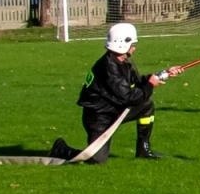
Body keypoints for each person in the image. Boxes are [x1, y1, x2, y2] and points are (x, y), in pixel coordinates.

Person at [50, 22, 180, 163]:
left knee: (146, 105)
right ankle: (61, 149)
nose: (134, 48)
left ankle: (143, 149)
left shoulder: (122, 62)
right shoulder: (109, 67)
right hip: (99, 117)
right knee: (96, 159)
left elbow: (136, 82)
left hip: (114, 109)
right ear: (123, 44)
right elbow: (129, 97)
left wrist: (163, 74)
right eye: (133, 44)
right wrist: (150, 85)